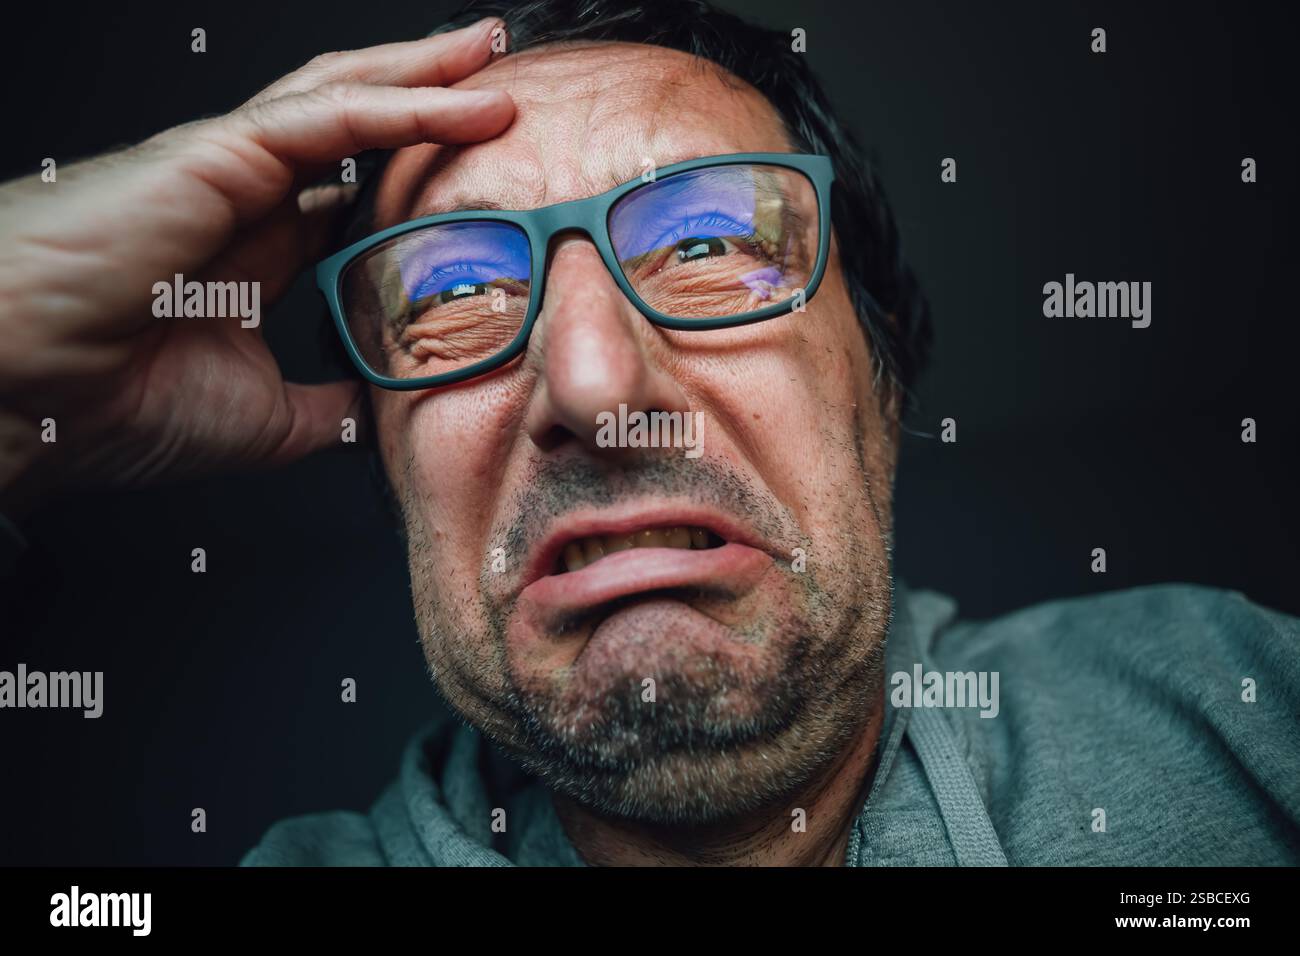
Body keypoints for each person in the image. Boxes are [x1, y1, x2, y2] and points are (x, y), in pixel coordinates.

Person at [1, 1, 1295, 867]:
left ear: (883, 386)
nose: (586, 377)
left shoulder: (1240, 701)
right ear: (390, 462)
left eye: (711, 244)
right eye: (455, 292)